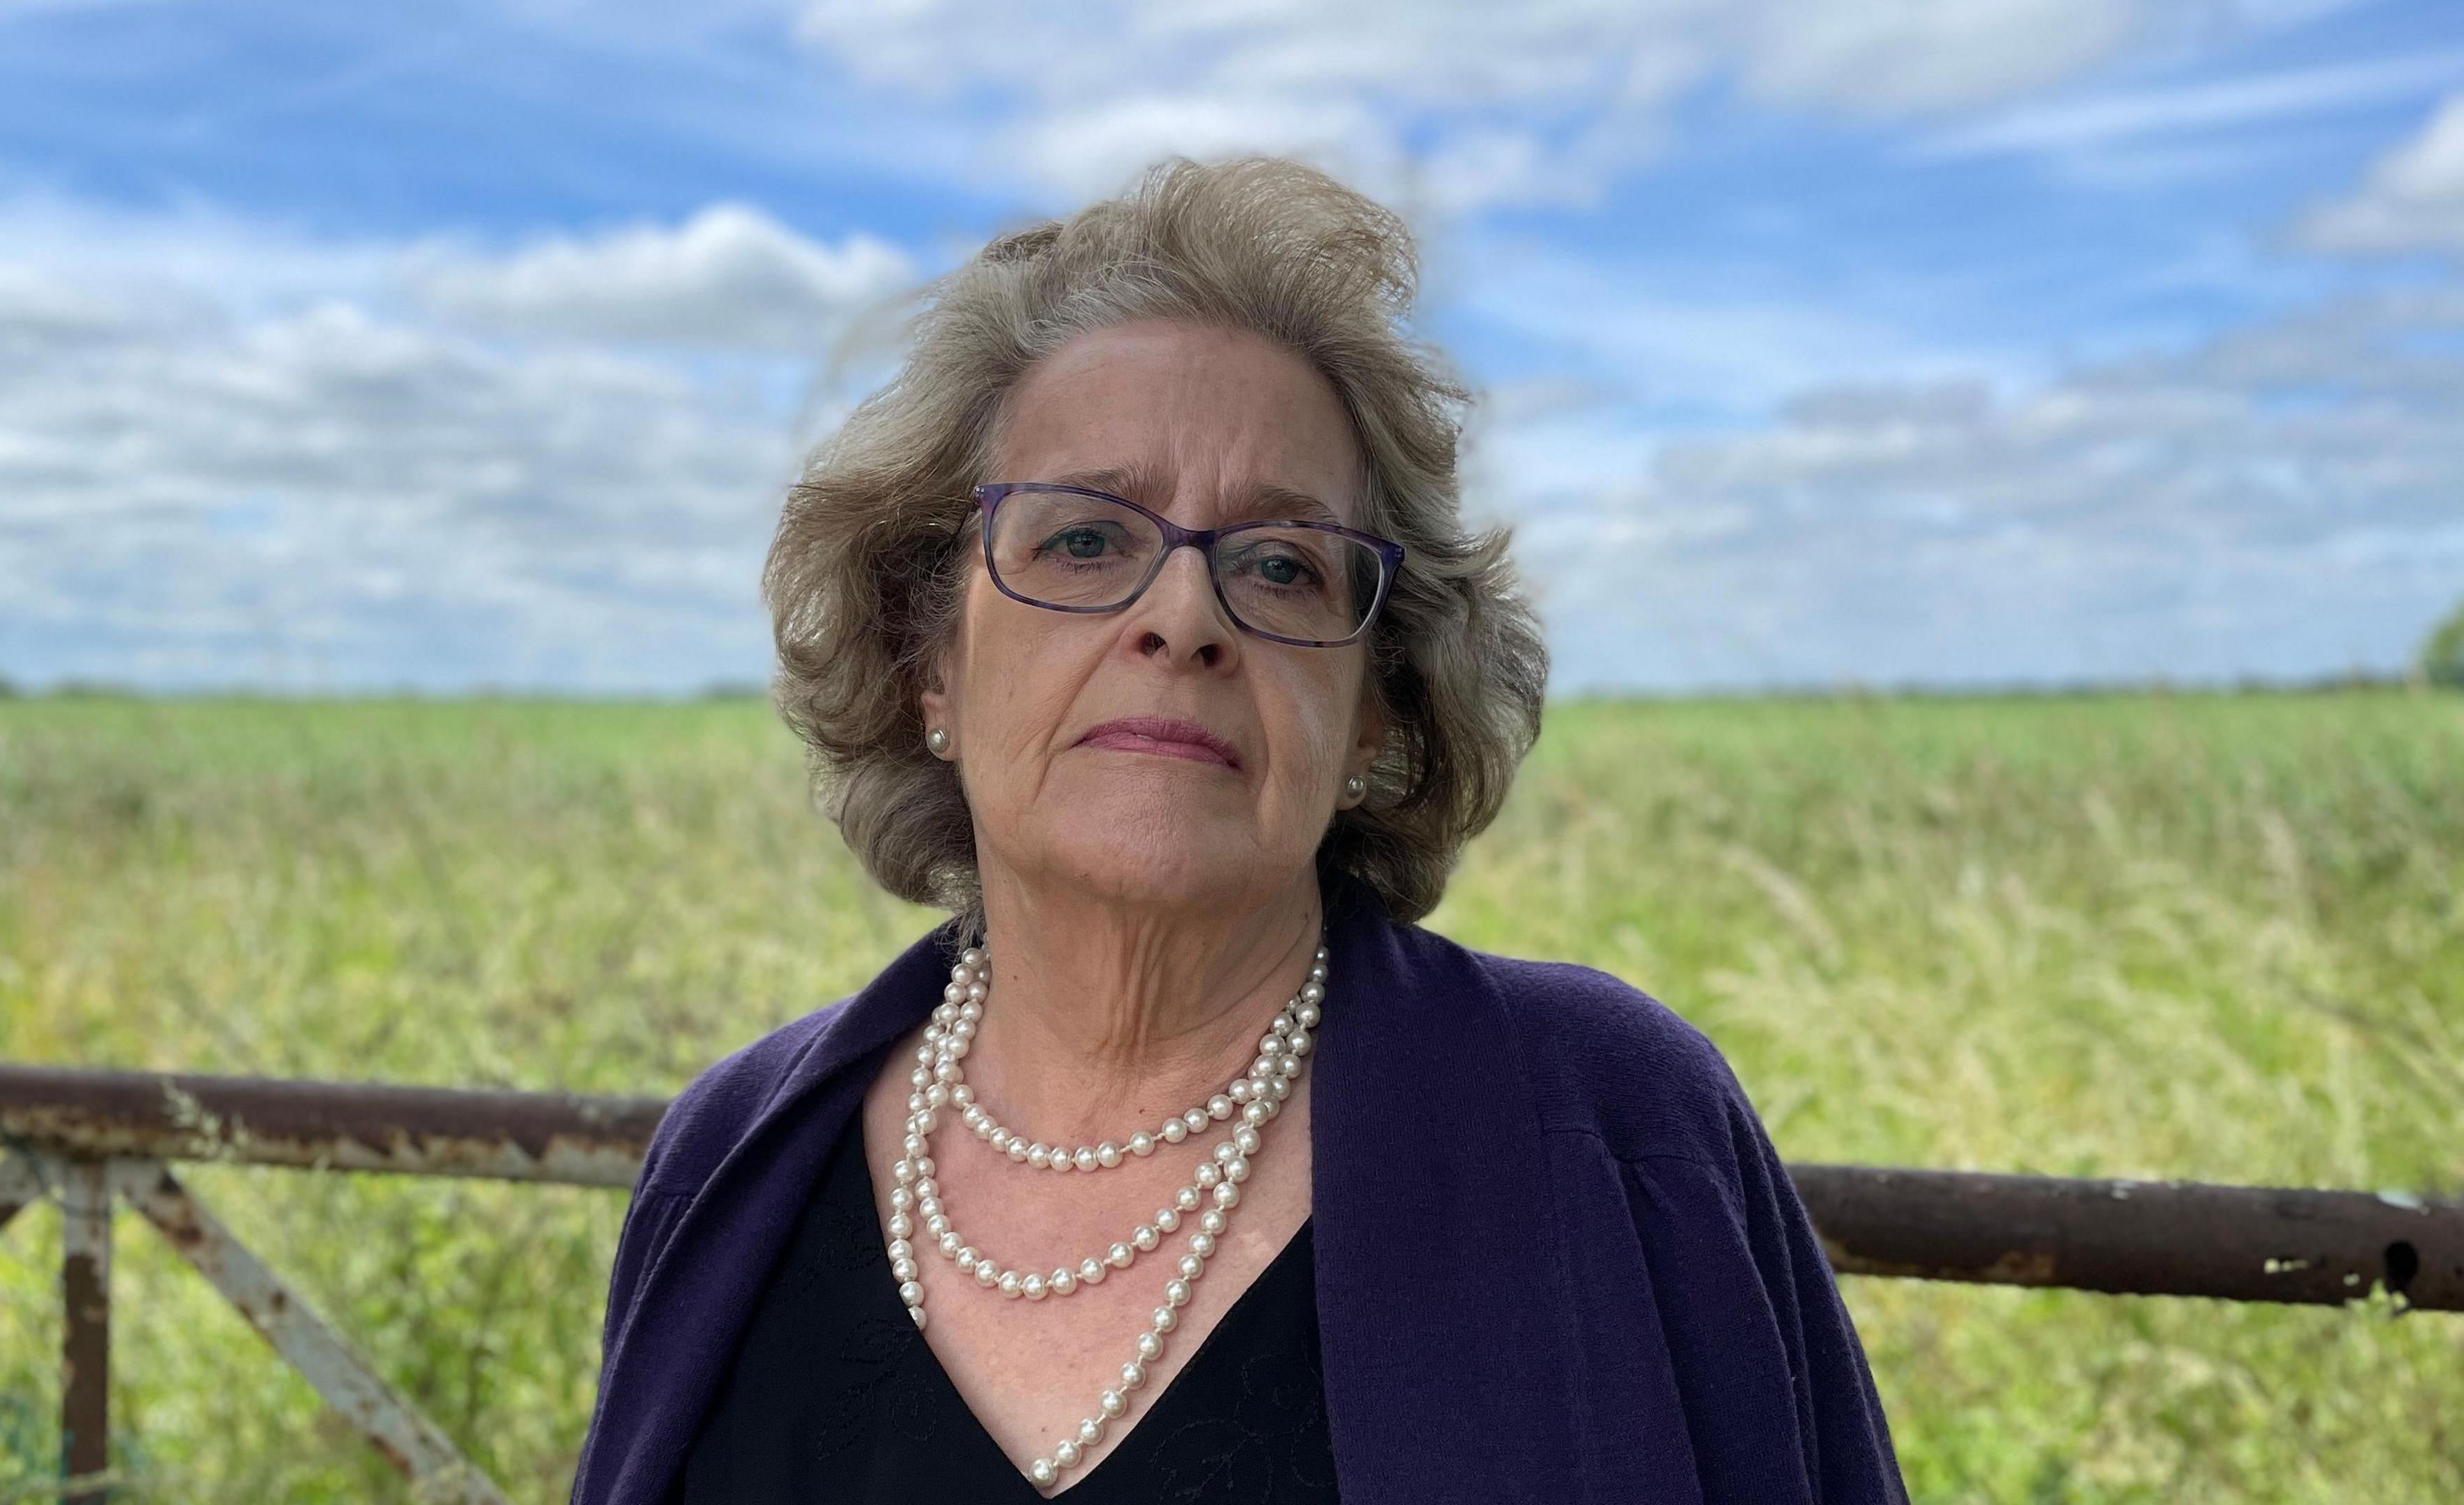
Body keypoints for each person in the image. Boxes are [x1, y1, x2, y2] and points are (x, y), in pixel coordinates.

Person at [573, 155, 1911, 1504]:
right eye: (1085, 541)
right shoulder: (733, 1158)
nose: (1185, 618)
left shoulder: (1609, 1123)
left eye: (1281, 564)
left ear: (1378, 714)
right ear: (931, 662)